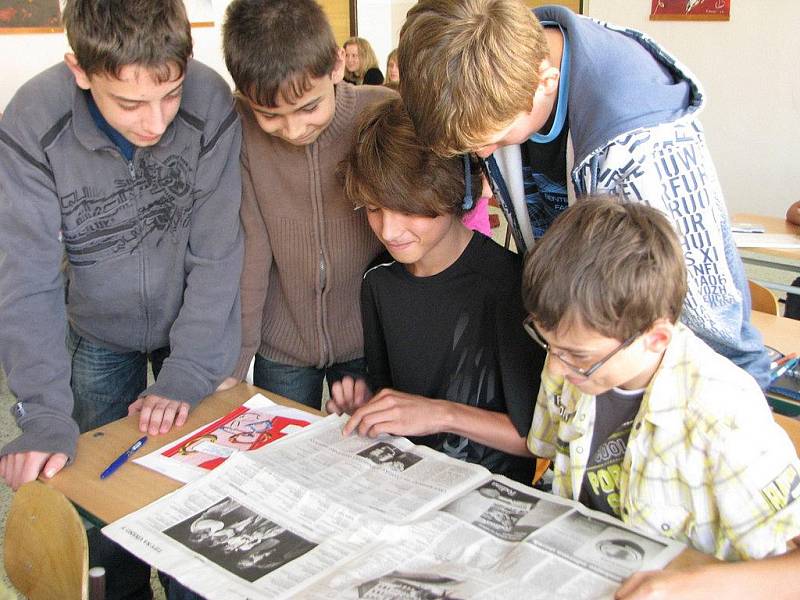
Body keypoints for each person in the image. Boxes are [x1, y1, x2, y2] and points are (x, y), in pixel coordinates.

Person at [397, 0, 771, 390]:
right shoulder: (497, 61)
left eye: (492, 139)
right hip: (586, 356)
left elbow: (711, 321)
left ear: (546, 83)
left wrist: (731, 405)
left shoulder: (642, 142)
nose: (484, 155)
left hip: (664, 378)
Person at [0, 0, 243, 596]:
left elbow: (217, 252)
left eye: (170, 94)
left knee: (200, 489)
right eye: (130, 103)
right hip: (98, 333)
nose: (156, 122)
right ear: (80, 70)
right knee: (102, 494)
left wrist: (191, 368)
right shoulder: (33, 120)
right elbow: (25, 279)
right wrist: (44, 410)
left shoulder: (211, 102)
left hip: (195, 325)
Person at [522, 198, 800, 599]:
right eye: (549, 345)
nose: (557, 368)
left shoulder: (725, 414)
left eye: (579, 357)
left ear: (656, 339)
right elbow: (546, 450)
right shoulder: (568, 362)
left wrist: (689, 587)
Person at [327, 97, 545, 483]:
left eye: (407, 208)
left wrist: (441, 413)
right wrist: (368, 405)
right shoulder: (378, 281)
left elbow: (536, 440)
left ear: (456, 190)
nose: (389, 231)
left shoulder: (510, 285)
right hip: (409, 484)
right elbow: (394, 399)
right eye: (374, 208)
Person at [219, 0, 395, 409]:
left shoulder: (380, 112)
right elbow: (251, 253)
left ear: (336, 66)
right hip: (282, 346)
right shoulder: (241, 130)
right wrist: (236, 358)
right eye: (271, 115)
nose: (294, 129)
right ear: (245, 96)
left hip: (367, 340)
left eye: (309, 107)